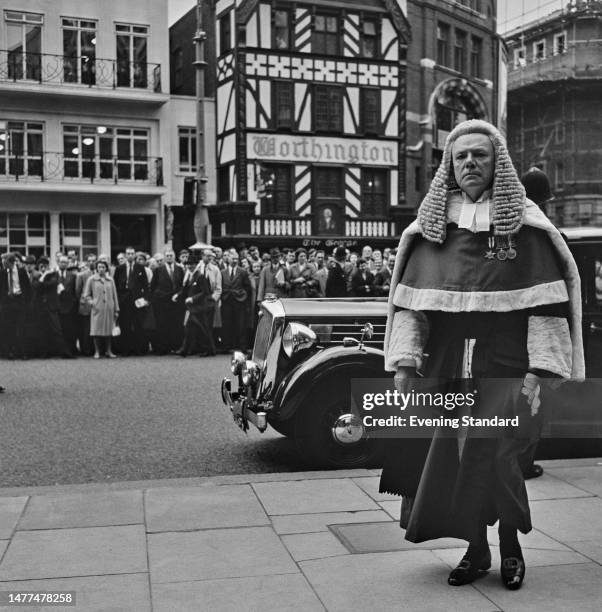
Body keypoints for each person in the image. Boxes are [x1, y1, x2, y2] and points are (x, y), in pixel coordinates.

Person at [379, 119, 583, 591]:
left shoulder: (527, 226)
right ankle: (475, 549)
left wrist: (538, 375)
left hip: (506, 366)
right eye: (461, 156)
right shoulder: (432, 229)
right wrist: (405, 365)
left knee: (500, 460)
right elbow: (412, 304)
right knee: (452, 460)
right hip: (449, 366)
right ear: (450, 166)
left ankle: (510, 549)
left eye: (480, 155)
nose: (470, 163)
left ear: (498, 163)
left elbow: (545, 307)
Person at [34, 256, 73, 358]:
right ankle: (44, 353)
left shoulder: (54, 275)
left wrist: (44, 276)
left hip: (52, 307)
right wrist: (44, 277)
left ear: (48, 266)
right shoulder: (36, 276)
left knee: (57, 330)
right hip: (41, 308)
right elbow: (37, 287)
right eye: (41, 266)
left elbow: (51, 284)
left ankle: (65, 353)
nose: (43, 268)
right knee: (42, 330)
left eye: (45, 266)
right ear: (38, 267)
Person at [113, 246, 149, 355]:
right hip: (124, 300)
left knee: (138, 324)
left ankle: (138, 349)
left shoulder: (140, 268)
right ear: (125, 255)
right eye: (128, 253)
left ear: (134, 255)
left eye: (132, 253)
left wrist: (145, 299)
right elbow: (115, 285)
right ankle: (125, 349)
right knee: (125, 324)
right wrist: (118, 299)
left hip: (137, 300)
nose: (130, 255)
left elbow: (145, 285)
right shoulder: (120, 268)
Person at [83, 260, 119, 359]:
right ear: (96, 268)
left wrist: (116, 309)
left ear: (106, 268)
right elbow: (86, 295)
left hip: (109, 309)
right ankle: (97, 351)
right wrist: (92, 303)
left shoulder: (110, 280)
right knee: (96, 331)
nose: (101, 269)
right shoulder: (92, 279)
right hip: (97, 309)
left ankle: (108, 351)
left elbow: (114, 295)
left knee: (108, 331)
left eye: (103, 267)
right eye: (99, 267)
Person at [151, 249, 184, 355]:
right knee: (163, 325)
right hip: (162, 302)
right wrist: (159, 296)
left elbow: (182, 286)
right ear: (165, 257)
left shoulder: (179, 269)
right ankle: (163, 348)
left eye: (171, 255)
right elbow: (153, 286)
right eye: (167, 255)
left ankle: (176, 346)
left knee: (176, 325)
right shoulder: (158, 270)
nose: (169, 257)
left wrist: (178, 295)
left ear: (174, 257)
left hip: (176, 302)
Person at [0, 253, 32, 359]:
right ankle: (10, 352)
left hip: (20, 301)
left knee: (21, 327)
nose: (4, 265)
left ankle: (23, 352)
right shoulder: (3, 273)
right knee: (9, 327)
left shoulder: (22, 272)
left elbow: (28, 288)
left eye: (5, 263)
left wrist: (26, 303)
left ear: (12, 262)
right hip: (8, 303)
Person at [221, 253, 251, 351]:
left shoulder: (242, 272)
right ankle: (226, 346)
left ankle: (242, 346)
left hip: (239, 300)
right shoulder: (222, 272)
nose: (234, 261)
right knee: (227, 324)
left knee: (241, 324)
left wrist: (243, 296)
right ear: (228, 259)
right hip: (226, 300)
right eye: (233, 258)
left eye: (236, 259)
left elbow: (247, 287)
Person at [56, 255, 79, 355]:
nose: (63, 264)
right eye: (61, 262)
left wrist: (73, 303)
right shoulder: (54, 275)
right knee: (60, 329)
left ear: (68, 264)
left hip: (70, 307)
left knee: (70, 329)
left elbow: (75, 291)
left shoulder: (72, 275)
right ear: (58, 263)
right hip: (57, 306)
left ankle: (71, 350)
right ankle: (61, 351)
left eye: (65, 262)